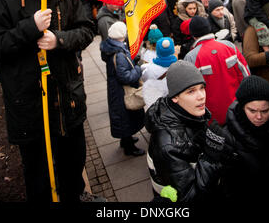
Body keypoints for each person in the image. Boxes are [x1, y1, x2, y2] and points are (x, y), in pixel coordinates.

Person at [0, 0, 96, 202]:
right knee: (39, 180)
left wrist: (59, 40)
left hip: (67, 104)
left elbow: (87, 30)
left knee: (72, 171)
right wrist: (29, 28)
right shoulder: (4, 0)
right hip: (29, 109)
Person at [145, 60, 234, 204]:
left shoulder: (191, 113)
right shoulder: (168, 145)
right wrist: (211, 158)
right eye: (191, 91)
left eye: (201, 88)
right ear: (175, 97)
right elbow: (191, 197)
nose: (201, 96)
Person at [222, 76, 269, 208]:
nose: (259, 117)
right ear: (242, 108)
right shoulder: (228, 138)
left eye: (265, 111)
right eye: (252, 111)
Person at [185, 16, 250, 124]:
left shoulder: (191, 57)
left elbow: (190, 91)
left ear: (193, 35)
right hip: (237, 109)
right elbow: (246, 75)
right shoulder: (230, 46)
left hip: (211, 118)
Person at [100, 21, 145, 156]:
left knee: (122, 117)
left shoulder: (111, 47)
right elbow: (125, 77)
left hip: (115, 90)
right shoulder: (119, 53)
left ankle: (126, 140)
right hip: (121, 92)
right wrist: (137, 69)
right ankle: (129, 147)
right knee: (125, 118)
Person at [141, 37, 177, 108]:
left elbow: (144, 79)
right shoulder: (179, 67)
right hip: (173, 103)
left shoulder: (150, 69)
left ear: (158, 51)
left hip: (156, 103)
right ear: (172, 50)